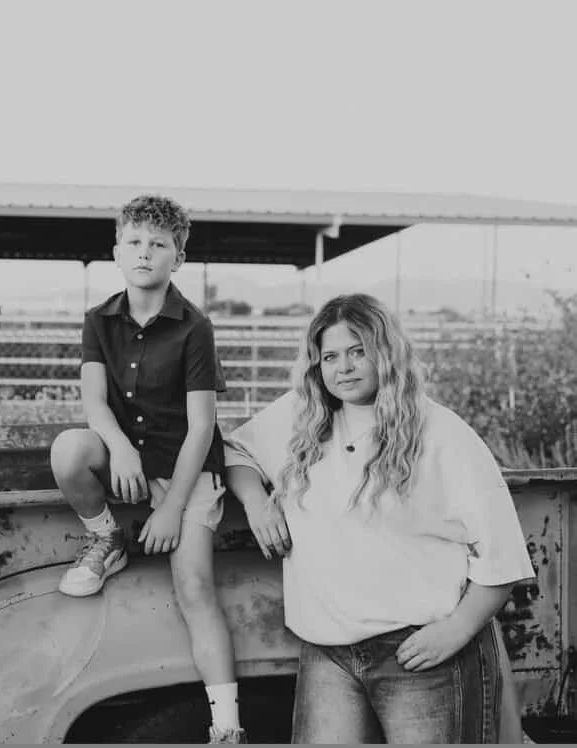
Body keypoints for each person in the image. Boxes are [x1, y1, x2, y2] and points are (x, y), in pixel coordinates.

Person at [224, 293, 535, 744]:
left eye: (358, 352)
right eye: (330, 356)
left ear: (385, 354)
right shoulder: (302, 419)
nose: (343, 367)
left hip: (419, 652)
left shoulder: (441, 433)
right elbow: (236, 450)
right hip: (327, 654)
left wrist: (456, 630)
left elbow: (501, 552)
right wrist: (256, 500)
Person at [48, 195, 244, 743]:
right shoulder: (98, 321)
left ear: (177, 258)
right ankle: (106, 538)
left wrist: (172, 510)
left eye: (159, 245)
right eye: (134, 242)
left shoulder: (194, 328)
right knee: (69, 449)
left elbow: (201, 428)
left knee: (195, 586)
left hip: (185, 468)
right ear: (117, 251)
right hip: (128, 459)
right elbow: (95, 404)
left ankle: (227, 725)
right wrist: (122, 449)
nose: (145, 253)